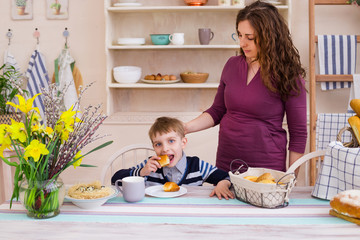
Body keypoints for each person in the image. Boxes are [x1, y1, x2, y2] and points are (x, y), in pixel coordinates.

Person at [185, 1, 307, 174]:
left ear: (270, 36)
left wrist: (290, 178)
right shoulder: (232, 65)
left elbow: (298, 134)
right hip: (227, 164)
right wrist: (185, 128)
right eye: (239, 35)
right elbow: (217, 111)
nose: (242, 43)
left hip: (266, 169)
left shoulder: (289, 75)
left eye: (249, 37)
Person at [111, 117, 234, 200]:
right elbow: (115, 179)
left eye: (171, 141)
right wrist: (142, 172)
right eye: (158, 144)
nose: (165, 149)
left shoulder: (197, 165)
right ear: (153, 147)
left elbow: (225, 176)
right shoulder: (150, 166)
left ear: (183, 142)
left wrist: (223, 184)